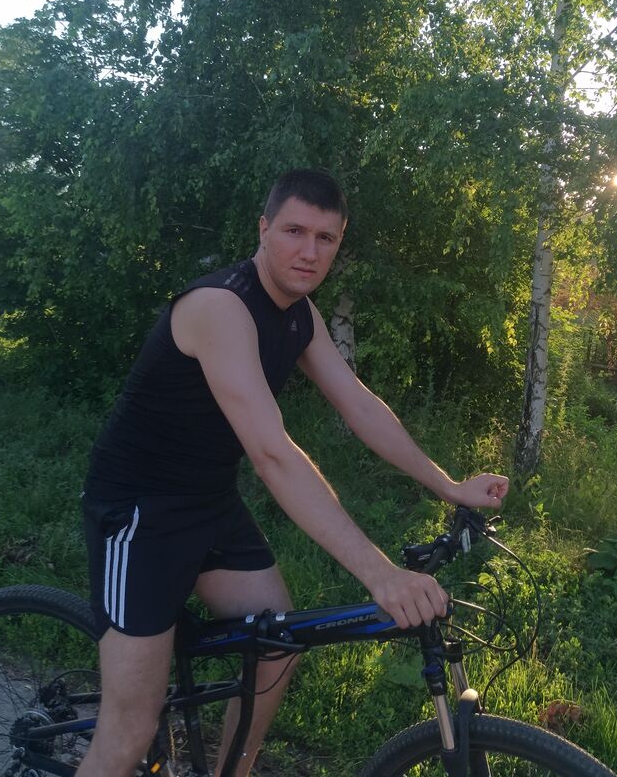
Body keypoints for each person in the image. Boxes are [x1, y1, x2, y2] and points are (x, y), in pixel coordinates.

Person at [78, 168, 509, 777]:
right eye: (294, 231)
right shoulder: (219, 308)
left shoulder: (298, 313)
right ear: (263, 228)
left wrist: (447, 484)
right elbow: (273, 453)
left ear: (339, 244)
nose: (309, 252)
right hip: (139, 515)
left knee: (276, 645)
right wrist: (380, 574)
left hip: (208, 501)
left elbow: (359, 406)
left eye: (325, 238)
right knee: (128, 734)